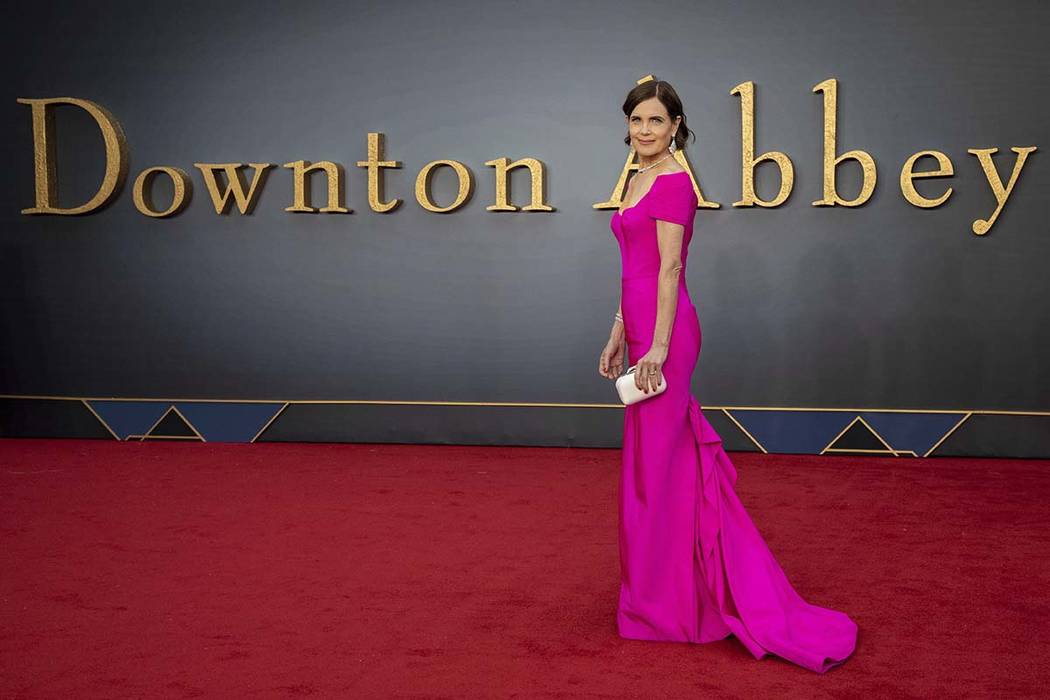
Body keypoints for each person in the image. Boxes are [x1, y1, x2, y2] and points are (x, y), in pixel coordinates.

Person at [598, 78, 858, 674]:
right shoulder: (635, 176)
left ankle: (677, 603)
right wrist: (619, 328)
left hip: (669, 336)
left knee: (661, 469)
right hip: (640, 327)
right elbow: (630, 268)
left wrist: (659, 348)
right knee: (653, 469)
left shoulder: (674, 183)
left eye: (656, 121)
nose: (644, 130)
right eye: (637, 119)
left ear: (676, 125)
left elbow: (669, 269)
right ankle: (663, 593)